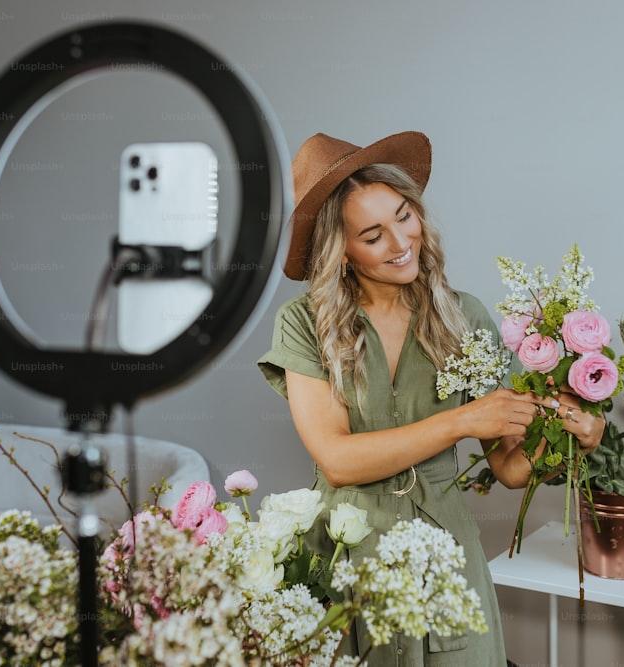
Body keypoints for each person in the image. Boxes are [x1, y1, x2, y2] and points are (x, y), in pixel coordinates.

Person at [257, 130, 605, 666]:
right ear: (341, 251)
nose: (401, 242)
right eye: (373, 235)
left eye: (404, 216)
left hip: (448, 559)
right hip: (347, 560)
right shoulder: (305, 325)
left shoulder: (465, 319)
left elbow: (510, 469)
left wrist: (575, 434)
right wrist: (462, 421)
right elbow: (338, 460)